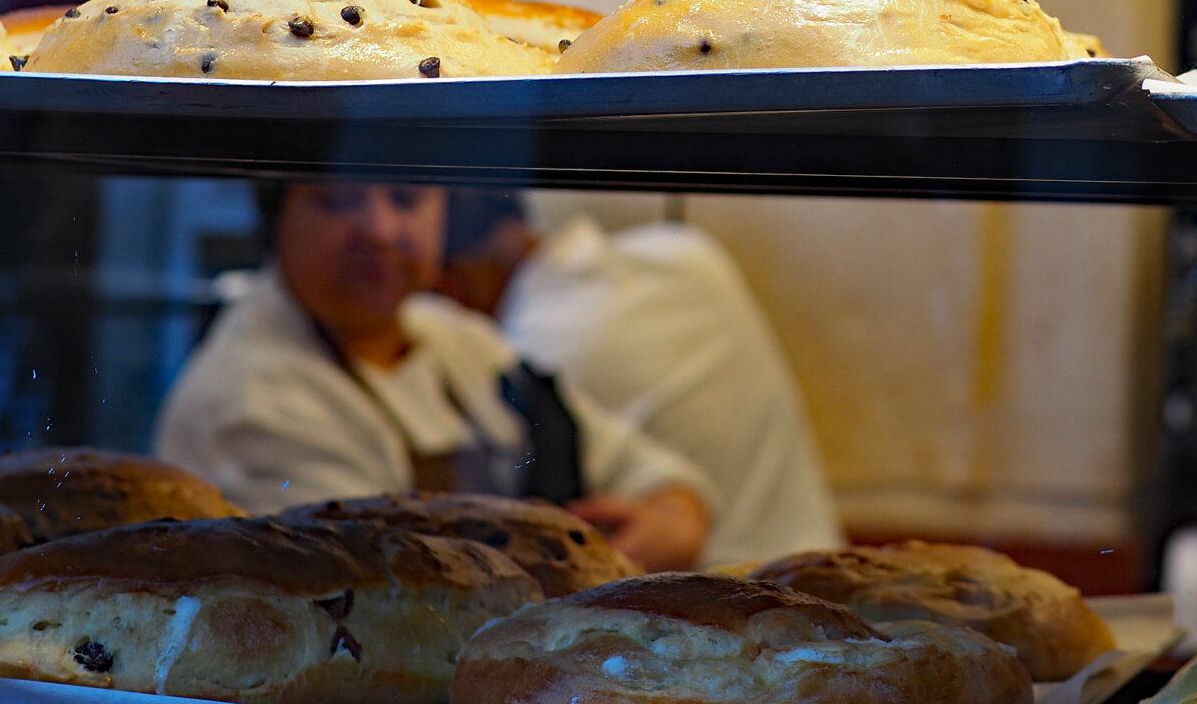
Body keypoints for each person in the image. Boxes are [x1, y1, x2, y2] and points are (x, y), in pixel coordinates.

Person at [154, 182, 711, 571]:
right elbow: (371, 602)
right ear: (278, 217)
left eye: (406, 197)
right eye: (339, 198)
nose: (379, 228)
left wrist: (673, 517)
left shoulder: (451, 337)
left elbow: (643, 468)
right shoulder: (254, 397)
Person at [438, 192, 842, 567]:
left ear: (452, 286)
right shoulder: (687, 252)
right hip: (826, 563)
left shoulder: (536, 351)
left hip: (729, 605)